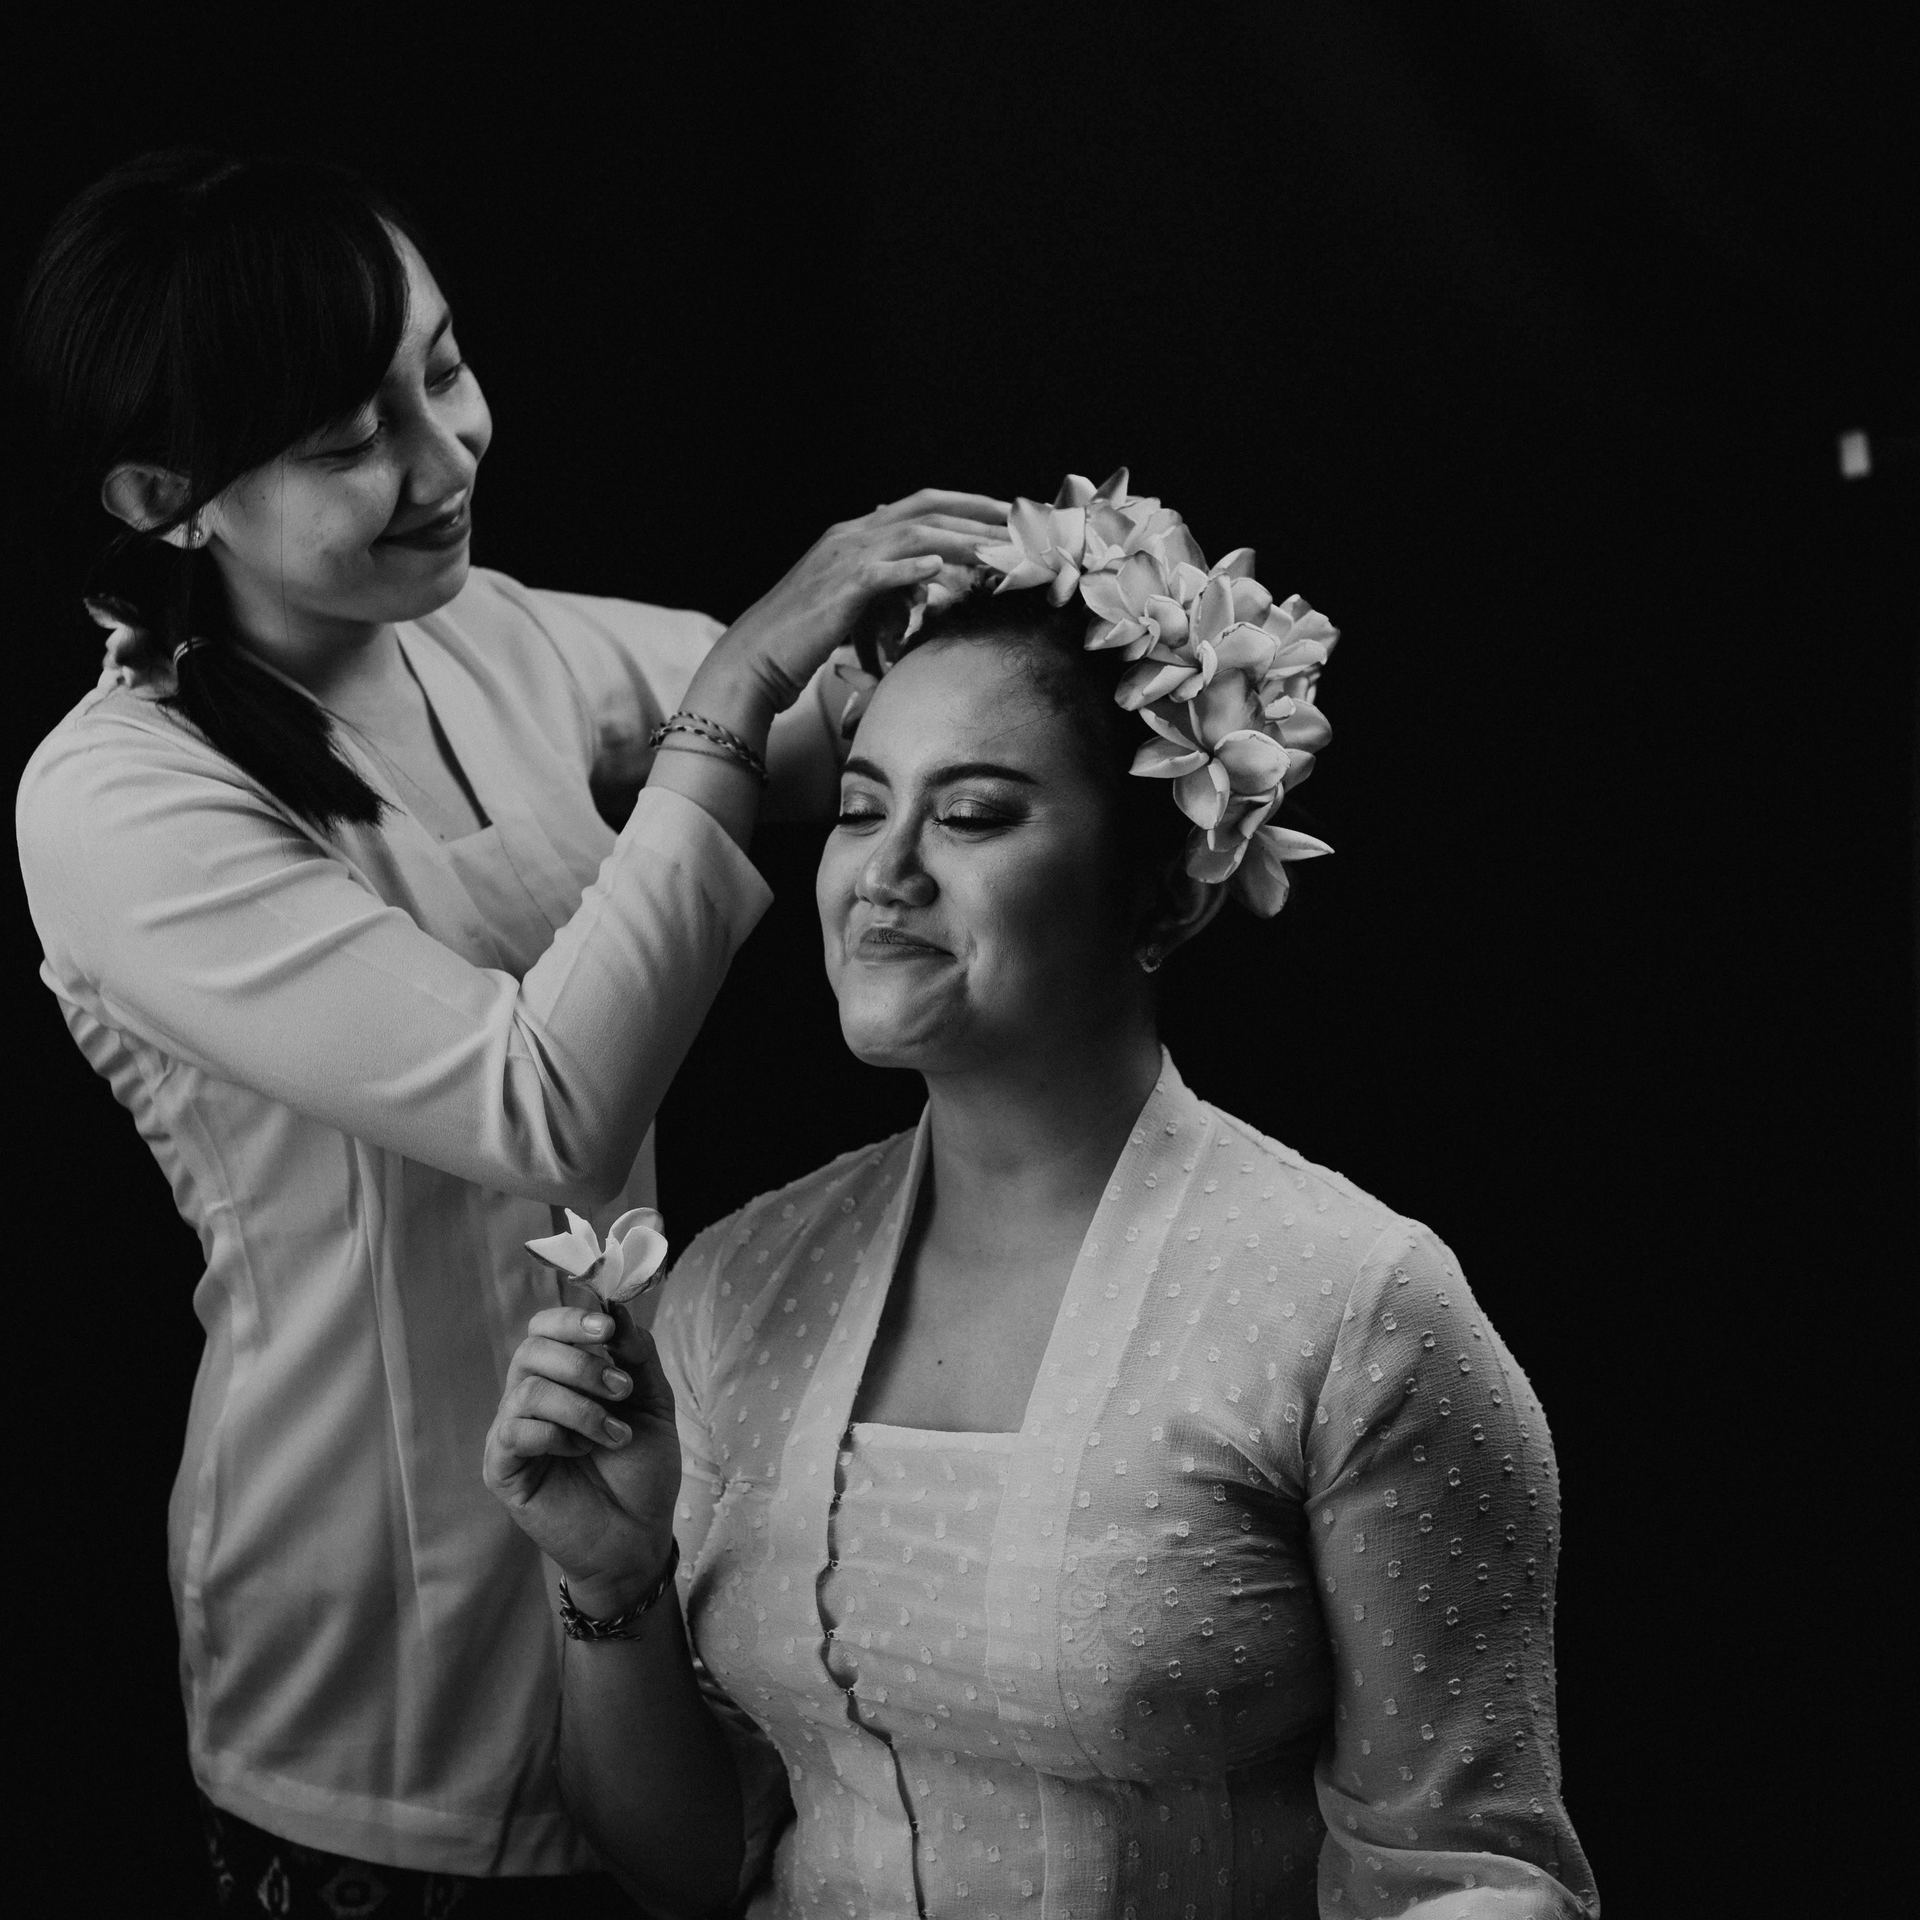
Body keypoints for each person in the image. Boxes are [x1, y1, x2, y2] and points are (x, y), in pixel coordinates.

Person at [12, 148, 1006, 1915]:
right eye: (345, 440)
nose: (445, 453)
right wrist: (734, 689)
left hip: (639, 1533)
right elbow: (535, 1097)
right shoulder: (118, 800)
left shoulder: (476, 631)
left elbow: (825, 722)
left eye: (445, 367)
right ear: (166, 495)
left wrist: (1080, 647)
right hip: (375, 1616)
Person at [487, 474, 1600, 1918]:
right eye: (861, 808)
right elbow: (691, 1867)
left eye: (975, 814)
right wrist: (613, 1577)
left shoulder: (1353, 1307)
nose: (883, 876)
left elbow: (1471, 1874)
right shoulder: (739, 1280)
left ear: (1170, 891)